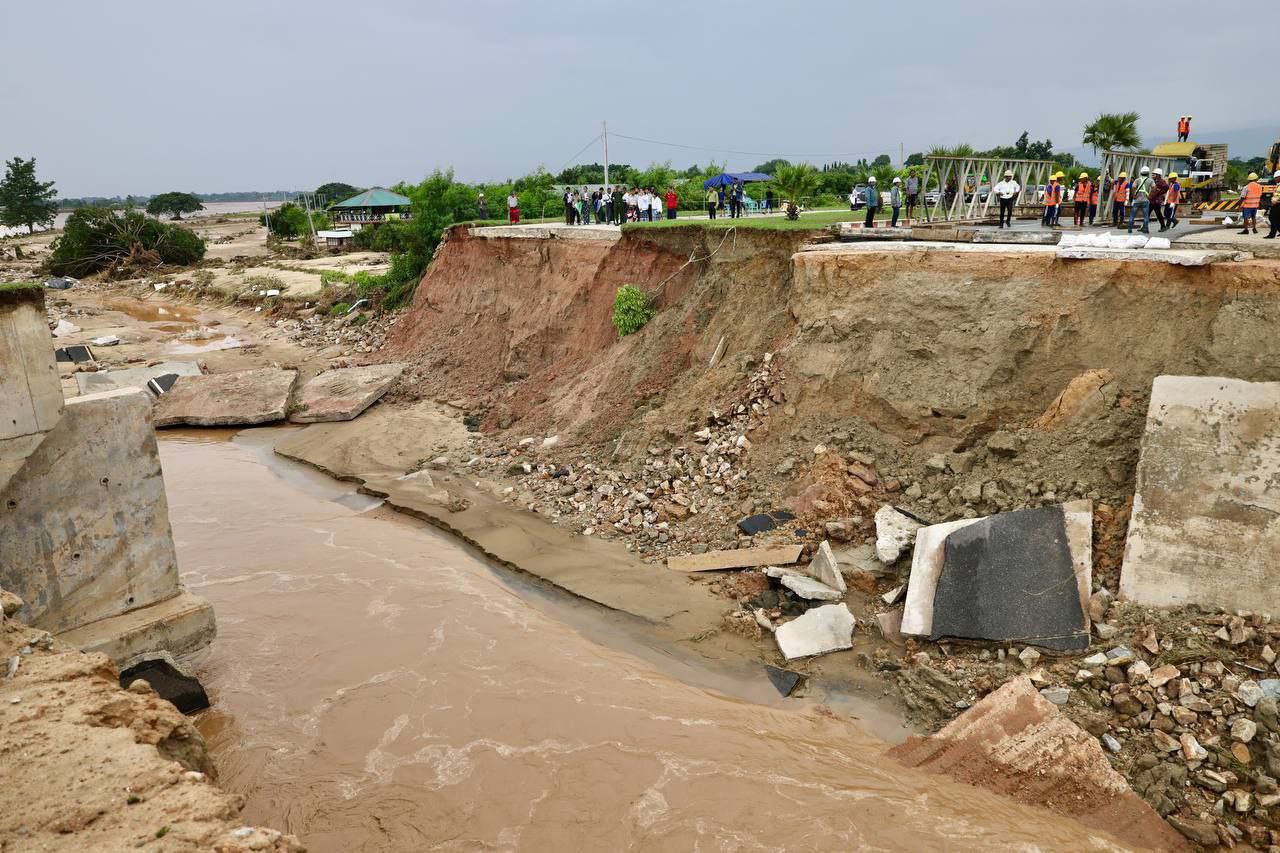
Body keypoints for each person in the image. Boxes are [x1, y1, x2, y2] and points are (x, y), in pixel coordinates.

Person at [1127, 166, 1153, 234]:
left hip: (1137, 200)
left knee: (1132, 215)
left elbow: (1133, 187)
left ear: (1141, 173)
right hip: (1145, 200)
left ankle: (1129, 229)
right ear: (1148, 173)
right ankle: (1146, 229)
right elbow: (1154, 188)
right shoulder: (1150, 180)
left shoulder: (1137, 180)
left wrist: (1134, 195)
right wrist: (1150, 195)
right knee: (1145, 216)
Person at [1267, 171, 1280, 239]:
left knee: (1273, 218)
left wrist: (1277, 201)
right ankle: (1272, 234)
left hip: (1278, 204)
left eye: (1276, 178)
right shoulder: (1278, 185)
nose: (1275, 179)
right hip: (1275, 204)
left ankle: (1272, 234)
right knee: (1274, 218)